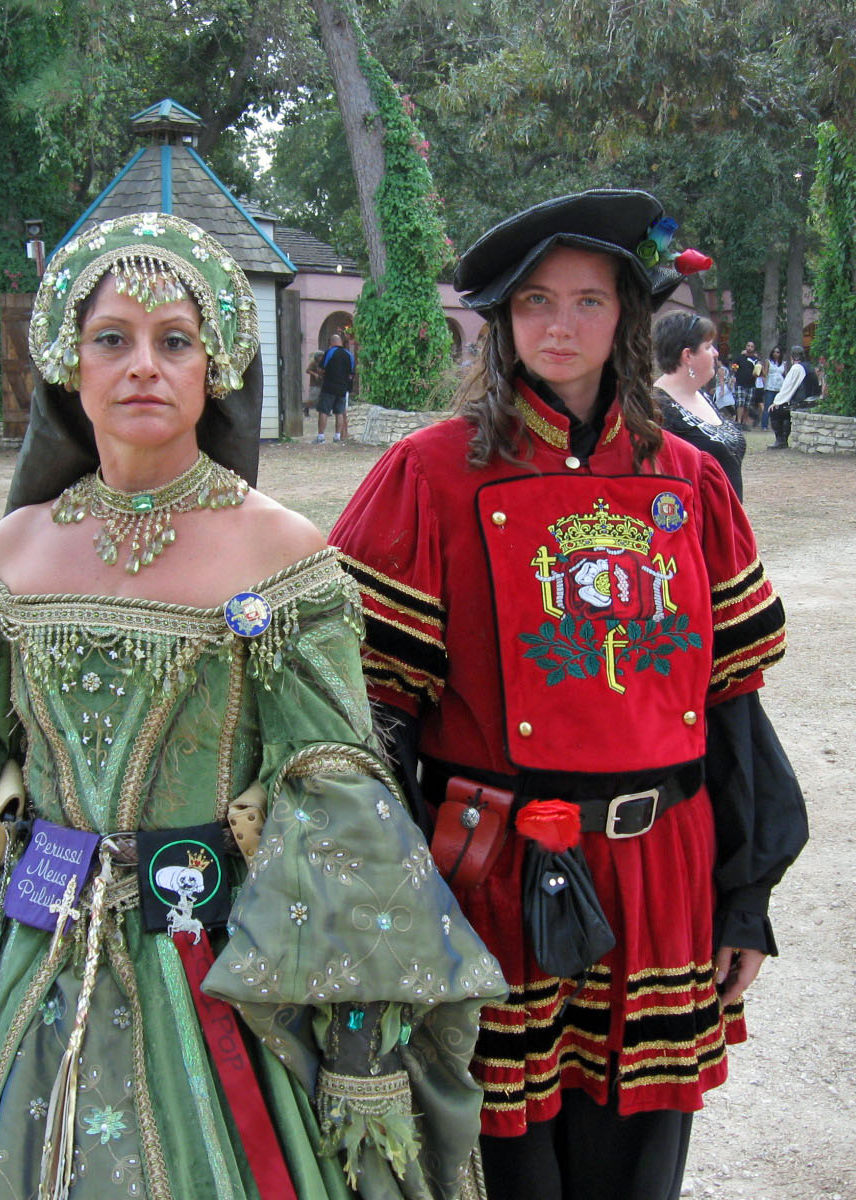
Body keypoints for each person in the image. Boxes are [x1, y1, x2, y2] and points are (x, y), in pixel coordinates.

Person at [0, 212, 504, 1200]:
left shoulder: (280, 552)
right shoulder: (14, 551)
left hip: (208, 963)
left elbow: (336, 804)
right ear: (69, 362)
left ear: (215, 366)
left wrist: (358, 1041)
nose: (143, 365)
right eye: (112, 338)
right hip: (32, 957)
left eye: (175, 341)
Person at [330, 189, 806, 1200]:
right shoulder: (428, 476)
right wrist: (388, 905)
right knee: (505, 1165)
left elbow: (732, 706)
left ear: (625, 316)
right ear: (502, 319)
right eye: (536, 301)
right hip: (492, 874)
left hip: (661, 873)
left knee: (637, 1163)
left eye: (589, 300)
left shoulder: (691, 482)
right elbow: (374, 719)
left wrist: (747, 896)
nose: (560, 325)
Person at [653, 312, 746, 496]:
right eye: (708, 347)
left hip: (729, 512)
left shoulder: (703, 396)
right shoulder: (657, 407)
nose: (716, 353)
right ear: (688, 355)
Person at [315, 332, 354, 443]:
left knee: (323, 411)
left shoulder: (330, 352)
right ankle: (337, 436)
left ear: (332, 342)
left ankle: (321, 437)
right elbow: (351, 374)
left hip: (329, 386)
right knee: (339, 412)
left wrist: (321, 373)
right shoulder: (349, 355)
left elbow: (321, 368)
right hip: (342, 388)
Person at [767, 344, 807, 448]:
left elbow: (787, 387)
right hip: (807, 401)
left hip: (800, 403)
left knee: (775, 411)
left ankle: (781, 440)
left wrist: (777, 402)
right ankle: (783, 440)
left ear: (792, 357)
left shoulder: (796, 368)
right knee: (784, 411)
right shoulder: (808, 366)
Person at [730, 340, 758, 431]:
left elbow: (758, 371)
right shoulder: (740, 358)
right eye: (748, 346)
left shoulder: (756, 360)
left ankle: (744, 423)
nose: (749, 348)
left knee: (747, 405)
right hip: (740, 383)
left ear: (754, 348)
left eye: (752, 346)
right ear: (746, 347)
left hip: (751, 384)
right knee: (740, 403)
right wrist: (735, 371)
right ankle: (738, 422)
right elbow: (734, 366)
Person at [760, 347, 784, 430]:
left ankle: (777, 425)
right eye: (774, 352)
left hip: (779, 387)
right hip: (770, 387)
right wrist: (761, 367)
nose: (775, 354)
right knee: (767, 406)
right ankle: (764, 425)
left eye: (777, 352)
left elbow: (785, 374)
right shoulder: (768, 362)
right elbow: (765, 374)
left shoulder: (783, 363)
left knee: (778, 407)